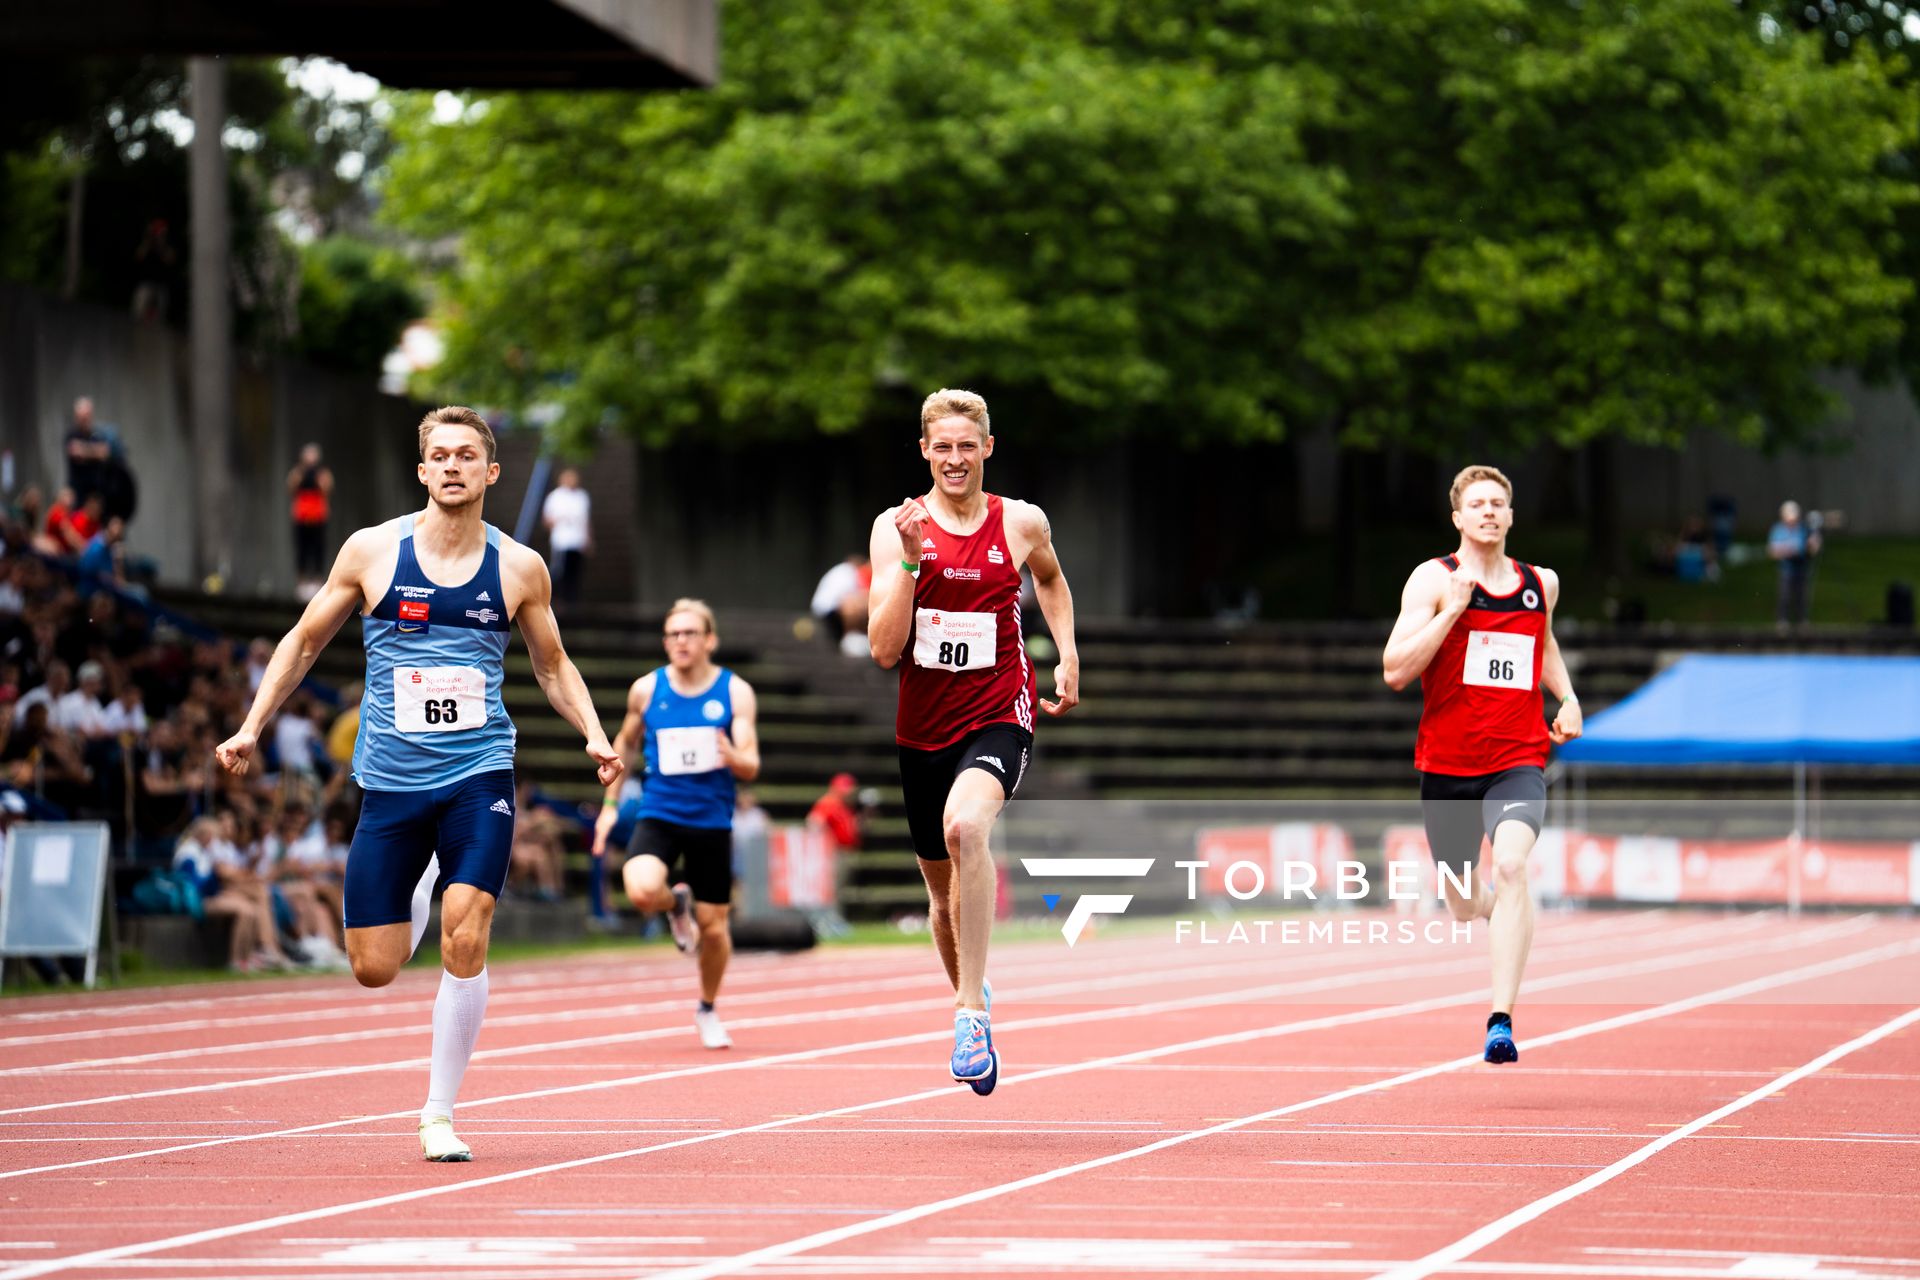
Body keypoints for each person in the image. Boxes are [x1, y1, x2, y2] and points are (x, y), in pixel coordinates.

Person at [216, 405, 623, 1162]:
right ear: (422, 471)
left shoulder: (519, 567)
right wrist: (251, 725)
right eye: (440, 455)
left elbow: (552, 665)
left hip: (479, 773)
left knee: (466, 928)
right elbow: (303, 643)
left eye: (467, 455)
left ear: (490, 472)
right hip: (392, 784)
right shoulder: (372, 552)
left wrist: (593, 733)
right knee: (373, 968)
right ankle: (422, 876)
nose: (452, 466)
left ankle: (438, 1112)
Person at [867, 387, 1080, 1097]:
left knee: (965, 828)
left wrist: (1068, 654)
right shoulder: (895, 528)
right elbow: (884, 649)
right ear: (924, 452)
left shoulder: (1020, 521)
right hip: (922, 728)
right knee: (940, 897)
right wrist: (909, 563)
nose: (955, 459)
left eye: (967, 446)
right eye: (942, 447)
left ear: (987, 447)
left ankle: (968, 1017)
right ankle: (973, 991)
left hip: (999, 710)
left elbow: (1051, 581)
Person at [1381, 464, 1583, 1064]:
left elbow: (1543, 643)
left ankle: (1501, 1021)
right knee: (1465, 904)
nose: (1489, 511)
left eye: (1498, 503)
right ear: (1458, 518)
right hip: (1448, 765)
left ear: (1511, 515)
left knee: (1513, 865)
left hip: (1517, 758)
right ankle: (1499, 912)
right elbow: (1395, 669)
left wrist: (1567, 697)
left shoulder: (1540, 583)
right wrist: (1451, 612)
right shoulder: (1433, 579)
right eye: (1478, 504)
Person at [591, 599, 760, 1050]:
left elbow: (751, 764)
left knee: (715, 929)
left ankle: (707, 1008)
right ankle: (674, 904)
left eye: (689, 633)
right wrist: (610, 805)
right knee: (642, 890)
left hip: (711, 821)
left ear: (710, 640)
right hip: (660, 813)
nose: (680, 641)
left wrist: (732, 755)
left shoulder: (735, 691)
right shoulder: (647, 689)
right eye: (673, 634)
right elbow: (624, 745)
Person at [540, 467, 591, 611]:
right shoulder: (555, 497)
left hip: (577, 541)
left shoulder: (582, 497)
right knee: (559, 571)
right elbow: (547, 520)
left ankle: (573, 602)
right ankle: (557, 600)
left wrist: (588, 538)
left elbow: (585, 520)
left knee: (575, 572)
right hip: (561, 541)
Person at [287, 444, 335, 598]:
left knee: (318, 548)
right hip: (302, 516)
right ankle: (301, 582)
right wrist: (301, 473)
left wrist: (319, 478)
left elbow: (328, 488)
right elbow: (291, 486)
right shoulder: (298, 473)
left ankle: (318, 581)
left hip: (318, 516)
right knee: (302, 549)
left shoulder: (322, 474)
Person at [1769, 500, 1822, 631]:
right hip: (1787, 568)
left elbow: (1812, 549)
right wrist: (1789, 550)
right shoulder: (1778, 529)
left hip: (1802, 567)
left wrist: (1814, 541)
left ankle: (1802, 621)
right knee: (1785, 595)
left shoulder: (1803, 529)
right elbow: (1773, 551)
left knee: (1802, 596)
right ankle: (1782, 621)